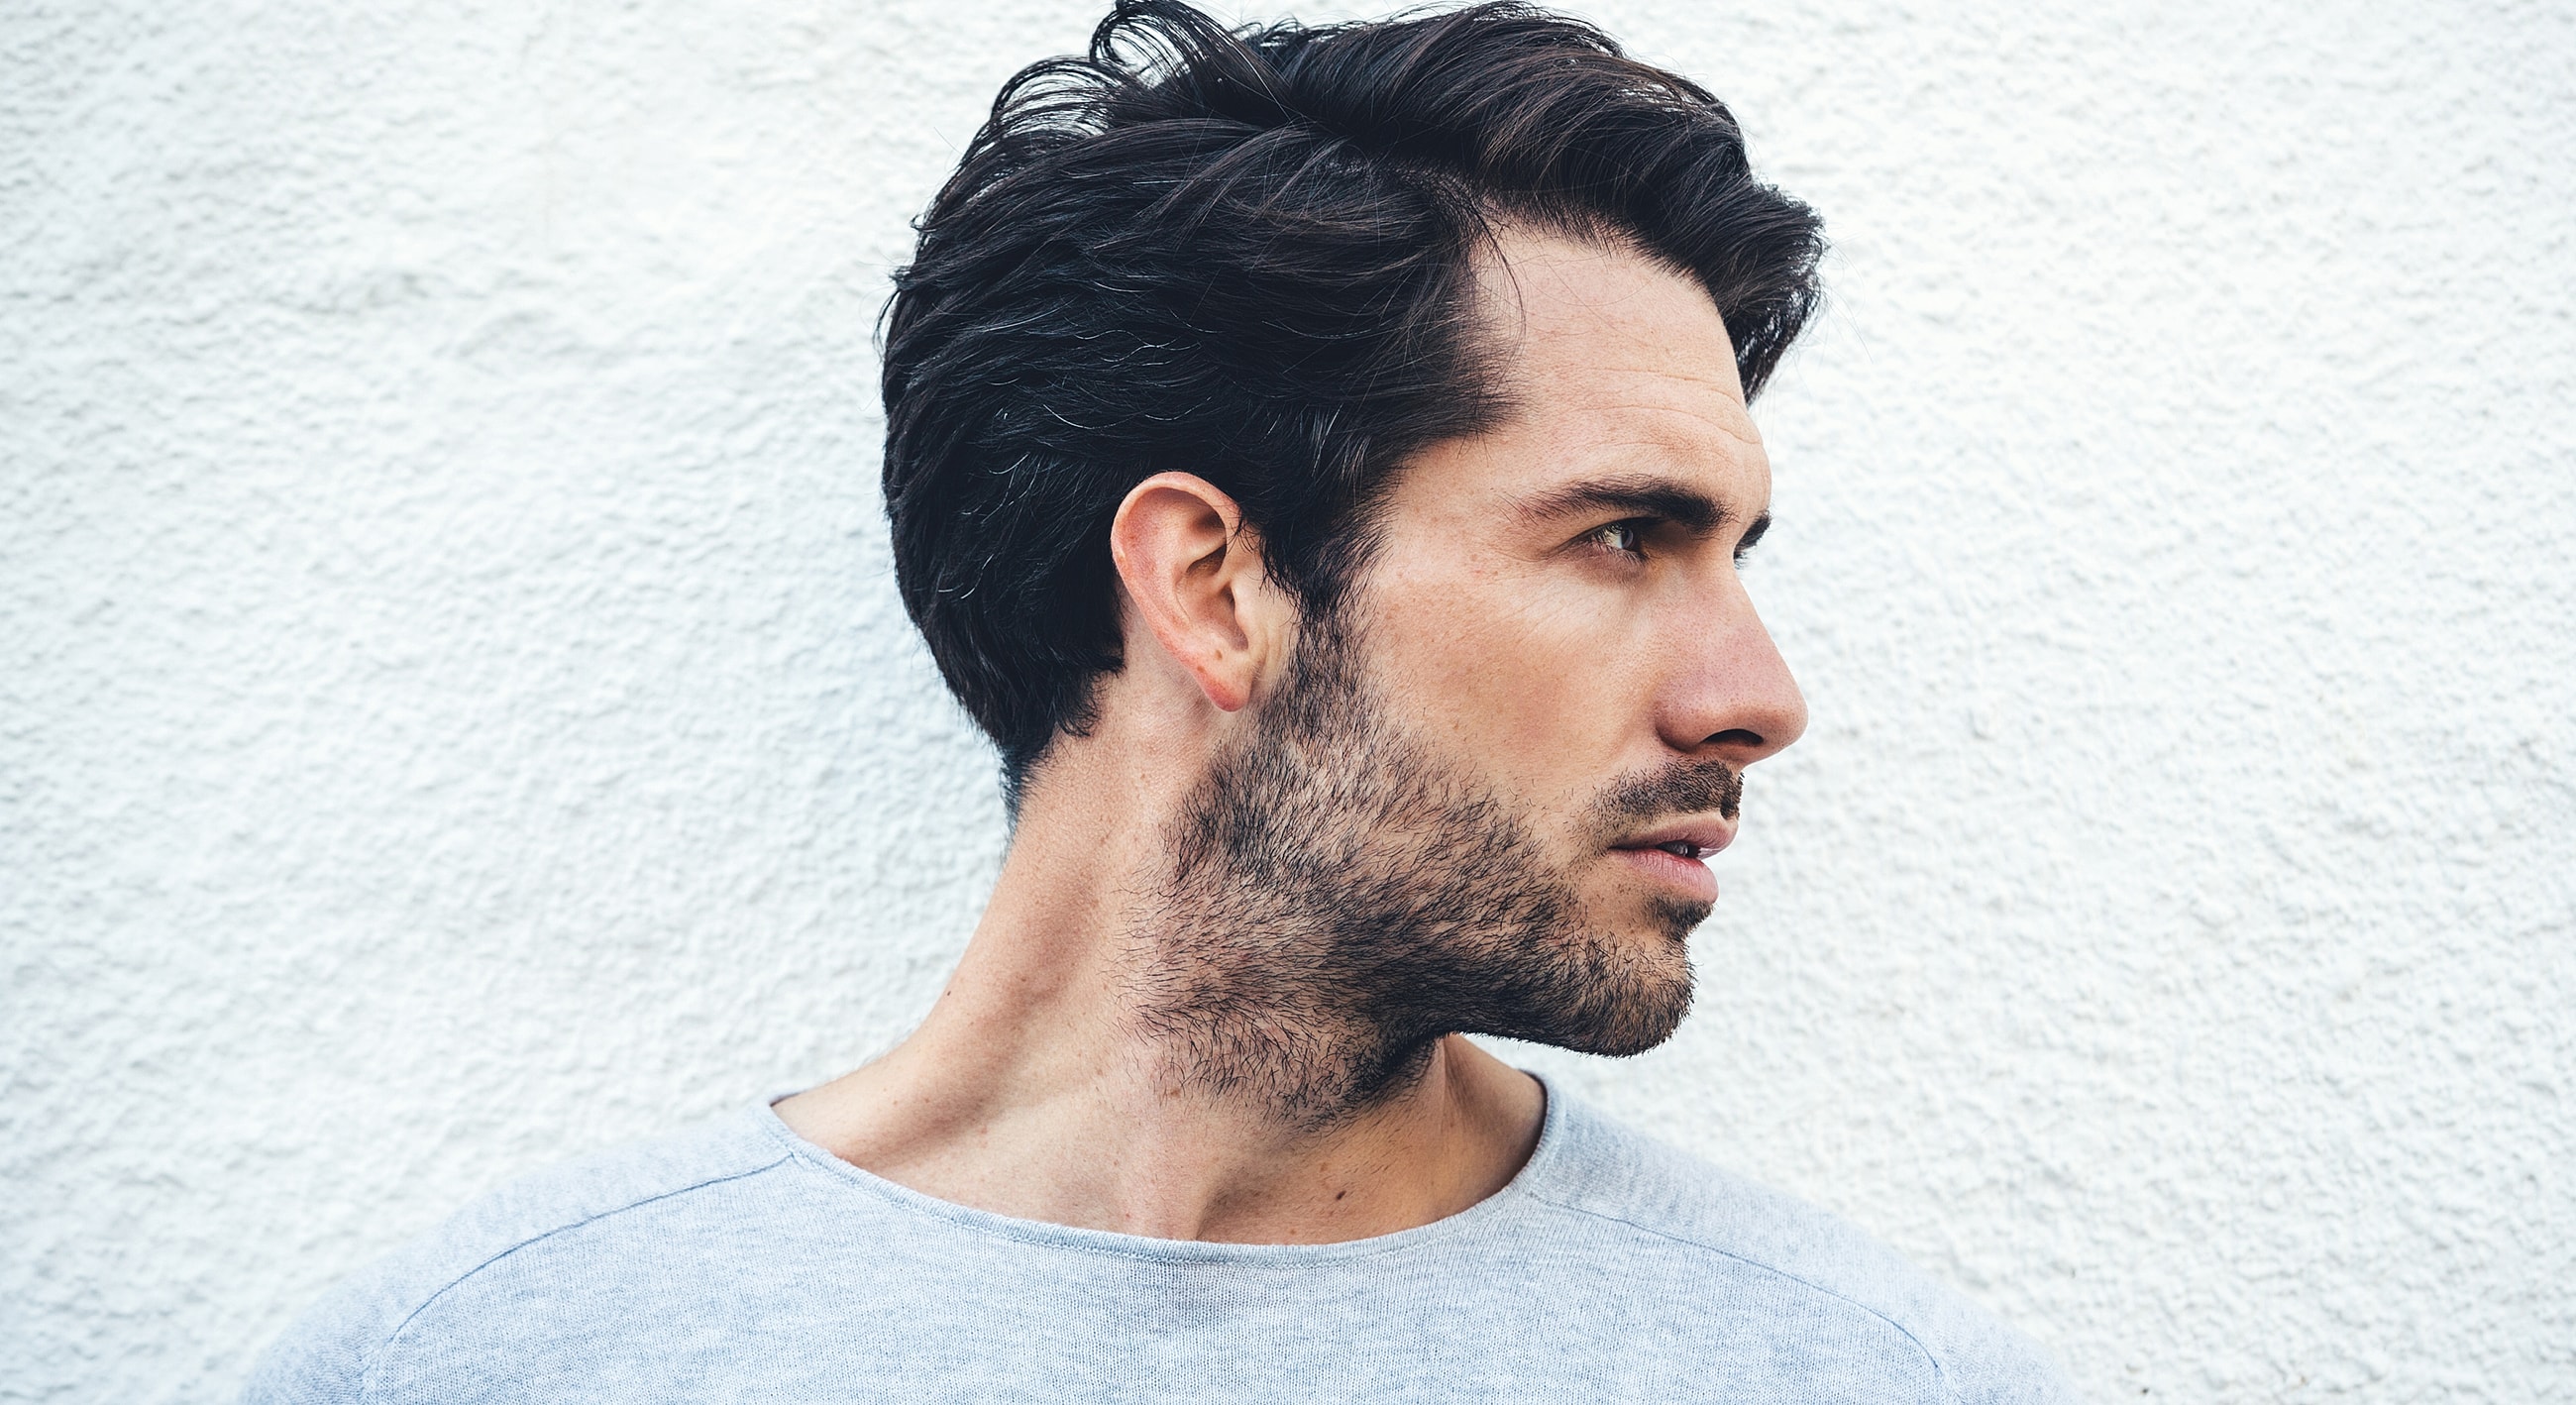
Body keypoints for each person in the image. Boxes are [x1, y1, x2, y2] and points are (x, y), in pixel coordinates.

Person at [245, 2, 2076, 1399]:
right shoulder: (500, 1357)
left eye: (1737, 554)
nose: (1759, 698)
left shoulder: (1863, 1374)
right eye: (1620, 538)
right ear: (1213, 585)